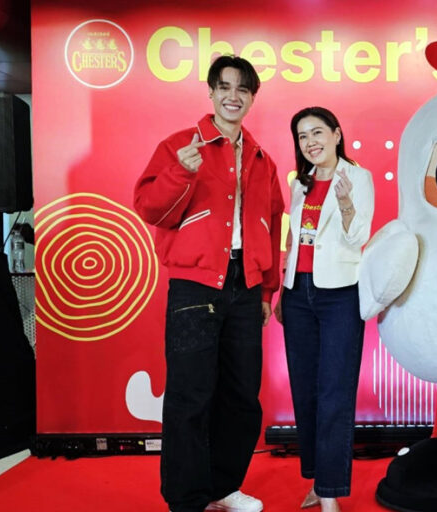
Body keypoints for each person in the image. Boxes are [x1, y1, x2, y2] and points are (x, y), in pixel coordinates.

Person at [134, 55, 284, 512]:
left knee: (241, 396)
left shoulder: (262, 158)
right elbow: (149, 209)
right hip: (195, 284)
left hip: (245, 286)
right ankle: (187, 500)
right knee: (190, 394)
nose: (233, 96)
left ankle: (223, 487)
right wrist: (181, 171)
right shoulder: (180, 146)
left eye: (243, 89)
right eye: (224, 87)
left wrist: (266, 289)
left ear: (252, 98)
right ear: (211, 92)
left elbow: (272, 223)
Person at [274, 107, 374, 512]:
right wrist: (283, 290)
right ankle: (317, 479)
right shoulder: (300, 183)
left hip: (340, 295)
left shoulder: (358, 178)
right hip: (298, 293)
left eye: (317, 132)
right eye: (302, 136)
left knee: (335, 390)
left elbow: (357, 237)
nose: (310, 142)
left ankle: (330, 490)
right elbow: (294, 240)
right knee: (305, 390)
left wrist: (345, 200)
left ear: (336, 134)